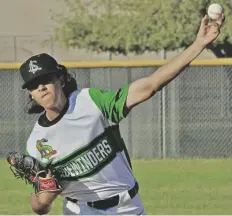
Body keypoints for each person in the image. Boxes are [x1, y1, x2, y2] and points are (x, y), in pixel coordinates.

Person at [19, 14, 224, 215]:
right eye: (34, 85)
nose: (41, 88)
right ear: (31, 93)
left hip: (127, 206)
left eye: (46, 79)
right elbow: (39, 206)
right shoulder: (36, 143)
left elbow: (149, 86)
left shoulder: (90, 101)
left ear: (61, 80)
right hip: (79, 210)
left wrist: (199, 44)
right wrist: (46, 196)